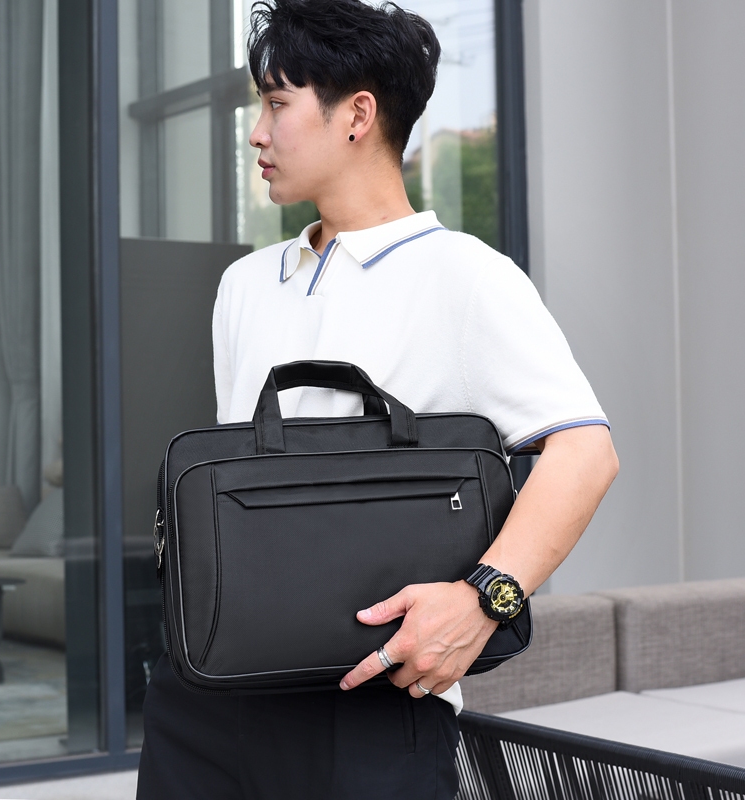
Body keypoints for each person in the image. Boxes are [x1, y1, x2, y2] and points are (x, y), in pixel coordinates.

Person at [136, 1, 619, 798]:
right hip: (211, 703)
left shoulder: (465, 276)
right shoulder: (244, 285)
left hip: (372, 704)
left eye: (277, 103)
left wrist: (485, 600)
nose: (257, 133)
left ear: (357, 115)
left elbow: (586, 453)